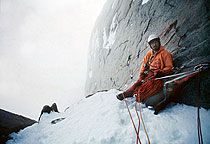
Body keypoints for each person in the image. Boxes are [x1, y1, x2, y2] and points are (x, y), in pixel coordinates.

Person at [116, 34, 173, 103]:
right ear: (150, 45)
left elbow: (169, 68)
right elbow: (144, 65)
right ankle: (125, 94)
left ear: (159, 42)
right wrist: (142, 74)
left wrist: (160, 72)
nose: (154, 45)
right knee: (138, 83)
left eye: (156, 42)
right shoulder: (149, 54)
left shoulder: (165, 54)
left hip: (158, 76)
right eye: (152, 43)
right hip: (149, 74)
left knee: (146, 87)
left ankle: (138, 95)